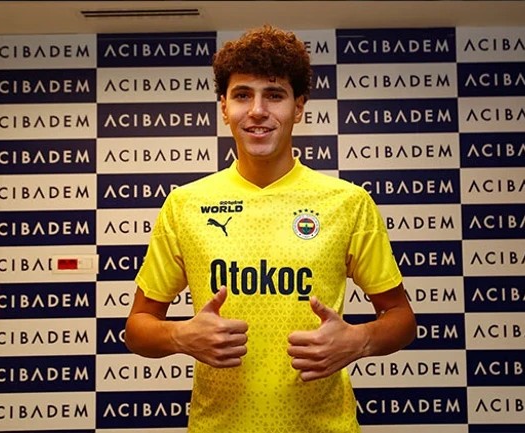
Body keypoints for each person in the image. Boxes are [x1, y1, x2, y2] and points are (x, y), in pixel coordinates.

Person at [125, 24, 417, 433]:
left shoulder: (348, 202)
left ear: (298, 107)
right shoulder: (184, 205)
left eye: (274, 95)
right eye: (243, 95)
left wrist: (360, 340)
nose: (258, 110)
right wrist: (180, 336)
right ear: (224, 107)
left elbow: (401, 317)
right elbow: (137, 328)